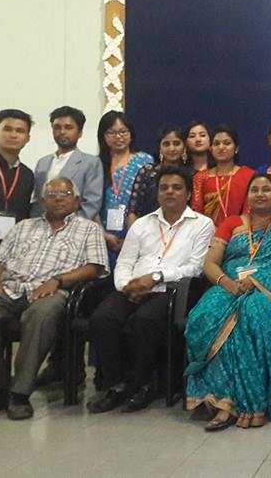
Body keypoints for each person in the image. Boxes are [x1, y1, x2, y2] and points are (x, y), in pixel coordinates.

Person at [0, 177, 108, 419]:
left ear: (76, 200)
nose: (58, 198)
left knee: (41, 313)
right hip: (11, 288)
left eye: (65, 193)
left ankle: (19, 393)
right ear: (42, 201)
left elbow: (93, 268)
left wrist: (58, 280)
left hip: (53, 291)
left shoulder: (88, 229)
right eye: (52, 194)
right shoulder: (23, 226)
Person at [87, 169, 214, 414]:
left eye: (177, 187)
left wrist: (155, 278)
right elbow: (124, 262)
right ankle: (115, 385)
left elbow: (195, 267)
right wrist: (127, 285)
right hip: (133, 288)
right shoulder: (142, 224)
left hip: (171, 290)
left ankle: (142, 385)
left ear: (188, 194)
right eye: (164, 187)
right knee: (102, 318)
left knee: (144, 320)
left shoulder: (202, 224)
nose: (169, 192)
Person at [186, 173, 271, 431]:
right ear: (247, 196)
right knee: (204, 315)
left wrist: (259, 279)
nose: (260, 194)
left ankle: (253, 402)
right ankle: (221, 400)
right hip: (227, 284)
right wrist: (226, 282)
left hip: (267, 289)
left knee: (255, 312)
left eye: (266, 190)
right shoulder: (232, 223)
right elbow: (210, 262)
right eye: (254, 190)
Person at [97, 111, 154, 267]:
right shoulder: (96, 165)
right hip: (102, 236)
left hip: (138, 233)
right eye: (112, 132)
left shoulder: (145, 161)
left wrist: (133, 237)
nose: (118, 137)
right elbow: (90, 205)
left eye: (123, 131)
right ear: (103, 135)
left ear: (131, 134)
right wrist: (104, 235)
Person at [31, 106, 105, 220]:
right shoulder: (42, 163)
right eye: (57, 127)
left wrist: (70, 227)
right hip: (41, 228)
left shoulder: (91, 163)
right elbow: (37, 200)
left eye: (68, 127)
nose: (62, 132)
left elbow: (92, 203)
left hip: (76, 229)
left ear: (80, 132)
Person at [0, 109, 36, 247]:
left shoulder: (27, 174)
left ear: (27, 138)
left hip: (10, 248)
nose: (13, 135)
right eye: (7, 129)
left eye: (20, 131)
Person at [127, 126, 194, 229]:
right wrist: (134, 236)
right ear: (160, 148)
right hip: (147, 231)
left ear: (184, 147)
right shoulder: (147, 172)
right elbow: (133, 210)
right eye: (166, 144)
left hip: (184, 232)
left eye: (176, 144)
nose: (172, 149)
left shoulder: (192, 175)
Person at [191, 125, 255, 226]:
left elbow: (249, 211)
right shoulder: (201, 177)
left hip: (239, 233)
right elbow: (197, 213)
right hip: (207, 234)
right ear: (211, 148)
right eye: (216, 144)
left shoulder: (248, 175)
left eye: (227, 143)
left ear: (236, 148)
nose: (221, 147)